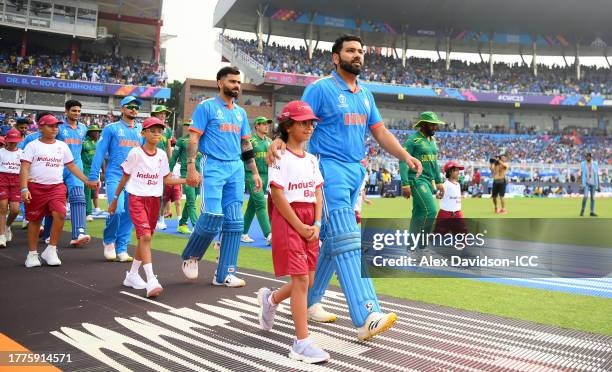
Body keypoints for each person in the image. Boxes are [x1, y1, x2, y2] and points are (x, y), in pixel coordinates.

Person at [267, 35, 422, 340]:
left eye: (361, 51)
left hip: (355, 172)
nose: (358, 55)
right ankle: (367, 315)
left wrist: (405, 155)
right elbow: (292, 118)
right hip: (328, 169)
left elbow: (379, 131)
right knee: (348, 239)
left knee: (330, 240)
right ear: (336, 57)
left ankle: (306, 300)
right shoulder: (321, 88)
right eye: (351, 51)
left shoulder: (365, 94)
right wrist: (278, 140)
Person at [257, 101, 329, 363]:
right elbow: (277, 195)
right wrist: (299, 226)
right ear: (288, 126)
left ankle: (271, 299)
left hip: (311, 221)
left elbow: (318, 192)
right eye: (303, 122)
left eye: (311, 122)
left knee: (308, 282)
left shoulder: (311, 159)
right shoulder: (278, 156)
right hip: (289, 220)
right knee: (300, 281)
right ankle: (301, 342)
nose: (309, 126)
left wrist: (317, 224)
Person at [181, 66, 263, 287]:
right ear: (220, 83)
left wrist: (254, 172)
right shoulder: (206, 107)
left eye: (238, 82)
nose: (236, 86)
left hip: (236, 167)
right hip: (213, 165)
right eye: (232, 82)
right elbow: (193, 139)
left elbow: (245, 144)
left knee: (235, 222)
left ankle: (225, 273)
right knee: (212, 216)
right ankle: (191, 256)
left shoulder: (241, 113)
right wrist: (191, 167)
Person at [109, 117, 186, 297]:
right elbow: (125, 177)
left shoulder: (161, 155)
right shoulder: (135, 153)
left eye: (160, 131)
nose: (157, 134)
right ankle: (151, 280)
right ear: (143, 133)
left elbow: (166, 179)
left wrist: (185, 180)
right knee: (144, 235)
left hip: (154, 200)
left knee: (147, 237)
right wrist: (114, 199)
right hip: (136, 198)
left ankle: (133, 274)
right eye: (152, 130)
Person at [19, 114, 97, 268]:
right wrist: (24, 188)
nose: (55, 129)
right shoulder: (32, 145)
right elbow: (25, 167)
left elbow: (72, 165)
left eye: (56, 126)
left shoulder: (62, 146)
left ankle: (51, 250)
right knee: (34, 220)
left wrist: (86, 180)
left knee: (60, 215)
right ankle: (32, 253)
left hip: (56, 187)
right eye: (51, 126)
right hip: (36, 187)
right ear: (41, 127)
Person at [89, 96, 144, 262]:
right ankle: (109, 241)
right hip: (115, 174)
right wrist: (93, 176)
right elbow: (100, 152)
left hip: (135, 178)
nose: (134, 109)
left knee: (129, 213)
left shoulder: (141, 130)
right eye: (130, 106)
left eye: (136, 107)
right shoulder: (111, 128)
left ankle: (122, 247)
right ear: (122, 109)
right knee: (117, 209)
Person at [399, 112, 445, 248]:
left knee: (418, 214)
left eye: (436, 124)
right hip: (417, 180)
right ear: (423, 124)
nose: (435, 127)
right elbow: (402, 161)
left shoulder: (432, 141)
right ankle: (423, 246)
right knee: (431, 210)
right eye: (432, 124)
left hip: (428, 181)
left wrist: (439, 181)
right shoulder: (413, 140)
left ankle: (411, 248)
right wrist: (405, 184)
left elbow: (434, 163)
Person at [57, 100, 91, 247]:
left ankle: (79, 233)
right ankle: (46, 231)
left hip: (76, 167)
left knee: (78, 197)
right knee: (55, 201)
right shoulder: (58, 127)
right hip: (57, 167)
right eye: (73, 111)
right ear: (66, 111)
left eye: (78, 111)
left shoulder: (83, 128)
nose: (77, 114)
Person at [242, 116, 273, 244]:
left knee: (252, 206)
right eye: (263, 124)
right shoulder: (250, 141)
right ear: (257, 126)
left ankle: (242, 233)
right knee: (260, 203)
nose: (266, 126)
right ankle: (269, 234)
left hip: (266, 175)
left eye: (267, 124)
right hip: (252, 175)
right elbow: (244, 157)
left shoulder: (270, 141)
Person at [169, 119, 202, 234]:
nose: (189, 127)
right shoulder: (181, 141)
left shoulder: (203, 140)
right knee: (192, 201)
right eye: (188, 125)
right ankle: (197, 228)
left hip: (199, 176)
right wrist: (168, 171)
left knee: (191, 201)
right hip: (186, 174)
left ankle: (182, 224)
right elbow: (174, 158)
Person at [151, 105, 174, 230]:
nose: (163, 116)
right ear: (155, 114)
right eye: (161, 113)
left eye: (165, 114)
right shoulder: (149, 127)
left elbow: (168, 147)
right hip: (149, 163)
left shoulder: (168, 130)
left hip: (163, 165)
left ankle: (160, 219)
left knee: (162, 193)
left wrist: (170, 165)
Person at [0, 129, 22, 248]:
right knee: (2, 207)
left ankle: (7, 226)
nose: (13, 143)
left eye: (15, 141)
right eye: (11, 141)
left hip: (16, 180)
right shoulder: (1, 152)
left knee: (15, 210)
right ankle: (1, 236)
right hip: (2, 179)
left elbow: (26, 168)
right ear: (6, 140)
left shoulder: (22, 153)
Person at [434, 161, 467, 236]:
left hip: (457, 213)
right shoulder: (445, 185)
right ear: (450, 172)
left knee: (463, 233)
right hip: (445, 214)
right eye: (456, 170)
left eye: (458, 170)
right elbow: (439, 195)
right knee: (438, 234)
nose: (458, 172)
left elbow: (454, 195)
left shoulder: (458, 184)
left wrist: (461, 196)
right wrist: (439, 195)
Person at [82, 124, 102, 221]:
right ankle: (88, 213)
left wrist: (103, 172)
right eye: (95, 131)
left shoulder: (98, 143)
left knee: (94, 191)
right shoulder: (84, 143)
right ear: (90, 133)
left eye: (98, 132)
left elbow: (101, 158)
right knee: (87, 191)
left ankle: (89, 208)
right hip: (85, 169)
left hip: (95, 170)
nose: (97, 133)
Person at [580, 153, 599, 217]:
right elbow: (582, 173)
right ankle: (582, 210)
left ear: (591, 157)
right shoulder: (583, 164)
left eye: (588, 157)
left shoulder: (595, 164)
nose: (587, 158)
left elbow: (597, 174)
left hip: (593, 183)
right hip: (586, 183)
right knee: (585, 196)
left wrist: (598, 185)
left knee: (593, 198)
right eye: (586, 157)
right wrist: (582, 183)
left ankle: (592, 212)